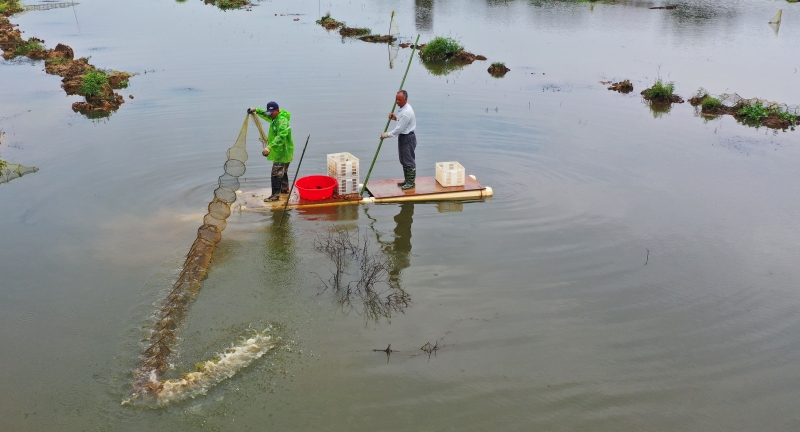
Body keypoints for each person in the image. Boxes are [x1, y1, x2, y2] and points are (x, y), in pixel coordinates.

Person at [248, 102, 294, 202]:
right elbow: (266, 113)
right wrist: (256, 109)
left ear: (278, 110)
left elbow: (281, 136)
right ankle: (285, 189)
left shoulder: (281, 121)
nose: (271, 115)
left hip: (283, 150)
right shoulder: (274, 117)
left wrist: (269, 147)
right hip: (282, 150)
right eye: (270, 112)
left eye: (273, 112)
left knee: (276, 173)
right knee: (283, 171)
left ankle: (275, 196)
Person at [380, 90, 417, 190]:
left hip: (408, 138)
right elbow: (402, 123)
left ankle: (411, 182)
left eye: (399, 99)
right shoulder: (403, 109)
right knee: (403, 159)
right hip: (403, 136)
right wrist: (395, 118)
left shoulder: (406, 112)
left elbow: (398, 129)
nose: (397, 101)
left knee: (409, 160)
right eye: (396, 99)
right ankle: (407, 180)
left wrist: (386, 135)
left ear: (405, 99)